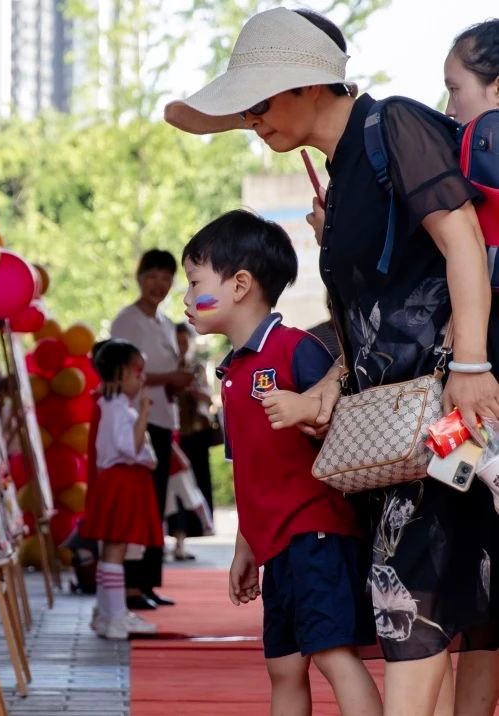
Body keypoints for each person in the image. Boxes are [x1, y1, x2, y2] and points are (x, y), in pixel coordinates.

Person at [167, 9, 499, 714]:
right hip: (398, 429)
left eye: (259, 102)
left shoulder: (393, 125)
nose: (252, 120)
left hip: (446, 411)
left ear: (307, 84)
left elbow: (463, 241)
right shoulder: (339, 174)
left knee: (414, 597)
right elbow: (367, 315)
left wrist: (471, 367)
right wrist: (331, 382)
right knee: (450, 600)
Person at [182, 209, 381, 715]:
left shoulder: (297, 350)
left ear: (240, 284)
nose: (186, 299)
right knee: (284, 667)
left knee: (334, 655)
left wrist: (310, 412)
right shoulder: (232, 375)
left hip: (318, 536)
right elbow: (250, 470)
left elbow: (345, 430)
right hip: (277, 547)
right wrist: (245, 548)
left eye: (195, 283)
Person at [110, 249, 192, 610]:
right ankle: (131, 584)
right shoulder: (126, 321)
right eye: (153, 276)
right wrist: (169, 377)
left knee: (157, 505)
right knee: (139, 505)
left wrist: (177, 381)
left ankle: (148, 582)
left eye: (166, 278)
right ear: (139, 278)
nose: (159, 284)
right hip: (136, 423)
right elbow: (121, 374)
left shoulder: (166, 322)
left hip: (163, 419)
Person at [81, 339, 162, 640]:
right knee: (116, 549)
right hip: (122, 480)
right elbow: (130, 447)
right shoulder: (117, 407)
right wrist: (144, 414)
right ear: (121, 373)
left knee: (111, 550)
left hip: (117, 481)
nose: (142, 378)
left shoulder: (110, 405)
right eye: (138, 371)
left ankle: (107, 613)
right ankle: (114, 617)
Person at [169, 321, 216, 559]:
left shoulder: (197, 367)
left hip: (196, 434)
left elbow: (208, 396)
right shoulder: (166, 368)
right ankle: (176, 540)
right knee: (176, 490)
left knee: (195, 486)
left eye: (184, 340)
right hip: (174, 435)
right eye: (177, 340)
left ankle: (185, 539)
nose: (181, 345)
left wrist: (194, 391)